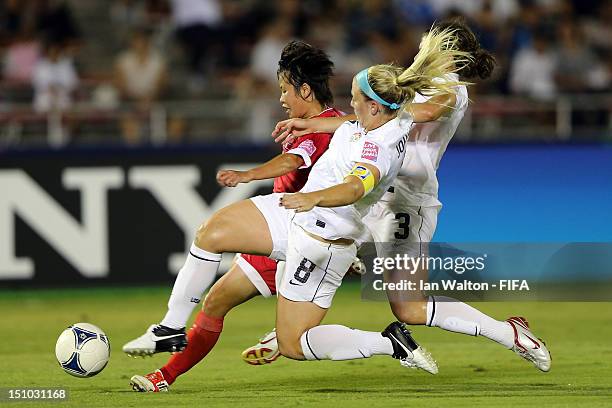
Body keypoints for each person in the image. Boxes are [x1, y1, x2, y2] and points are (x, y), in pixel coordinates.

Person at [123, 27, 469, 392]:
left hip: (304, 235)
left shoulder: (363, 136)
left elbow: (321, 173)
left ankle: (172, 349)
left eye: (285, 90)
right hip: (295, 224)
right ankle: (168, 358)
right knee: (218, 269)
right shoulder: (346, 124)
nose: (282, 98)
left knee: (247, 311)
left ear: (305, 90)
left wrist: (249, 175)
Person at [251, 20, 551, 373]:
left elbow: (412, 114)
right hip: (377, 195)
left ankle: (509, 334)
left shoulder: (452, 89)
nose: (421, 43)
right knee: (310, 234)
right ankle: (292, 325)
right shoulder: (415, 80)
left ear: (445, 49)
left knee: (409, 308)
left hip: (406, 203)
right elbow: (370, 117)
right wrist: (315, 124)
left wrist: (380, 106)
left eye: (429, 39)